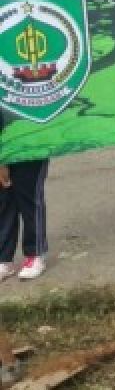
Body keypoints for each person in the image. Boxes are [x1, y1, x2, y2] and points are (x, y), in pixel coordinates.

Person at [0, 112, 49, 281]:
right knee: (3, 201)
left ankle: (35, 253)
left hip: (31, 139)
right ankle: (4, 258)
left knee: (28, 197)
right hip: (2, 137)